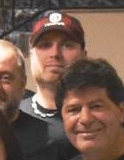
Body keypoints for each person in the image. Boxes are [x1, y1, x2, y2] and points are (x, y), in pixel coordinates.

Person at [21, 10, 85, 142]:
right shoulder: (14, 116)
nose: (55, 54)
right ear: (31, 56)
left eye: (67, 45)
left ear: (83, 56)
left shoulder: (96, 119)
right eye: (45, 45)